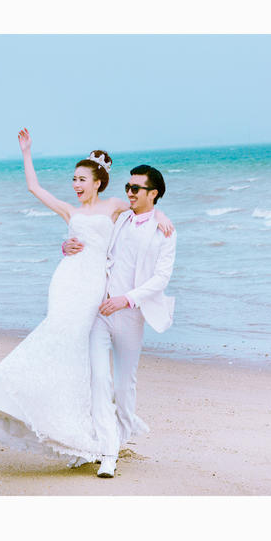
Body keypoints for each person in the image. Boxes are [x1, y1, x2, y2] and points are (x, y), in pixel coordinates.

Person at [0, 128, 173, 476]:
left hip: (97, 292)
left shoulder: (115, 206)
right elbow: (34, 188)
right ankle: (17, 398)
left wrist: (161, 216)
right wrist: (27, 152)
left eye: (82, 179)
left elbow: (142, 212)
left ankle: (97, 434)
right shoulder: (70, 212)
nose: (75, 184)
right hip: (68, 282)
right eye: (73, 179)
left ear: (98, 182)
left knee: (92, 365)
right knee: (62, 342)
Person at [62, 164, 176, 477]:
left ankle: (119, 435)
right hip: (100, 310)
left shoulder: (165, 230)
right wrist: (66, 246)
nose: (129, 192)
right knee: (99, 380)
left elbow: (161, 278)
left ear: (153, 193)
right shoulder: (121, 217)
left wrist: (126, 299)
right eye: (128, 187)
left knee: (125, 387)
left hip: (130, 314)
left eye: (136, 189)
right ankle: (105, 451)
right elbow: (92, 241)